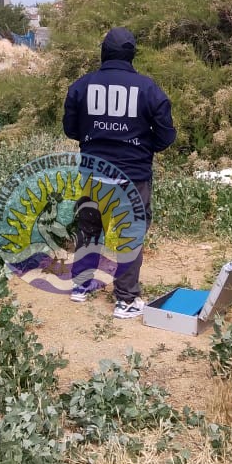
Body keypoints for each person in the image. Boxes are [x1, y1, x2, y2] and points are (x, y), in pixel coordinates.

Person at [63, 27, 177, 319]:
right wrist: (139, 144)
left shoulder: (81, 85)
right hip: (132, 177)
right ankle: (125, 300)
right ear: (131, 55)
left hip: (93, 174)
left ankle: (81, 285)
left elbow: (71, 129)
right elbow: (166, 137)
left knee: (89, 227)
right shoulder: (149, 89)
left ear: (103, 52)